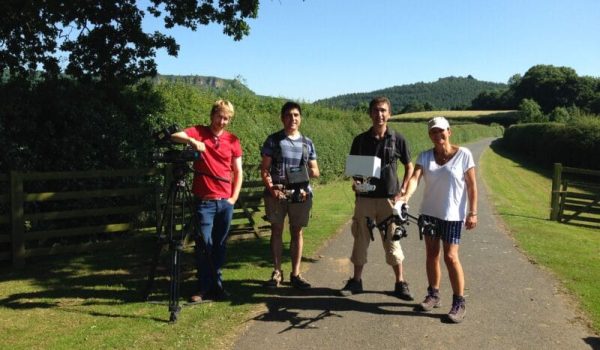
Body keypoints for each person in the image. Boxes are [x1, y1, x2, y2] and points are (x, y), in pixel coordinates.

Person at [399, 116, 478, 323]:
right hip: (429, 214)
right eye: (433, 132)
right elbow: (415, 178)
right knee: (432, 254)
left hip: (452, 216)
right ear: (429, 135)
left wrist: (473, 212)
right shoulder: (425, 157)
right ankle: (433, 294)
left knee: (450, 257)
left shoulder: (464, 155)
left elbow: (471, 186)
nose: (438, 135)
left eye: (441, 131)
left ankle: (459, 302)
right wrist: (406, 197)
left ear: (449, 131)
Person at [340, 96, 415, 300]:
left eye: (383, 110)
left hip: (389, 199)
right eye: (375, 110)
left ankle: (400, 283)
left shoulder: (398, 139)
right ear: (370, 114)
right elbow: (354, 169)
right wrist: (357, 182)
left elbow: (409, 166)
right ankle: (356, 281)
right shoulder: (360, 140)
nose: (379, 114)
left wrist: (403, 191)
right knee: (360, 239)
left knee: (393, 239)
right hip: (364, 199)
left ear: (389, 114)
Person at [171, 99, 243, 302]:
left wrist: (233, 198)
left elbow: (238, 171)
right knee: (204, 244)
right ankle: (203, 287)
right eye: (220, 116)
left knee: (220, 245)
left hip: (225, 202)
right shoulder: (199, 132)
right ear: (212, 114)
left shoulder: (233, 140)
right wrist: (192, 142)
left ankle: (217, 285)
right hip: (205, 202)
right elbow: (174, 136)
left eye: (227, 118)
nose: (222, 121)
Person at [260, 101, 320, 289]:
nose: (292, 119)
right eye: (288, 115)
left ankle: (296, 274)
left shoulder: (307, 143)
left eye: (296, 115)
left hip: (300, 194)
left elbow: (315, 170)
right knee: (276, 230)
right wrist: (272, 189)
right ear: (282, 118)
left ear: (300, 118)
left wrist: (301, 175)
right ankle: (277, 272)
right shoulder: (273, 140)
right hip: (276, 194)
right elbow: (264, 169)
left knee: (297, 231)